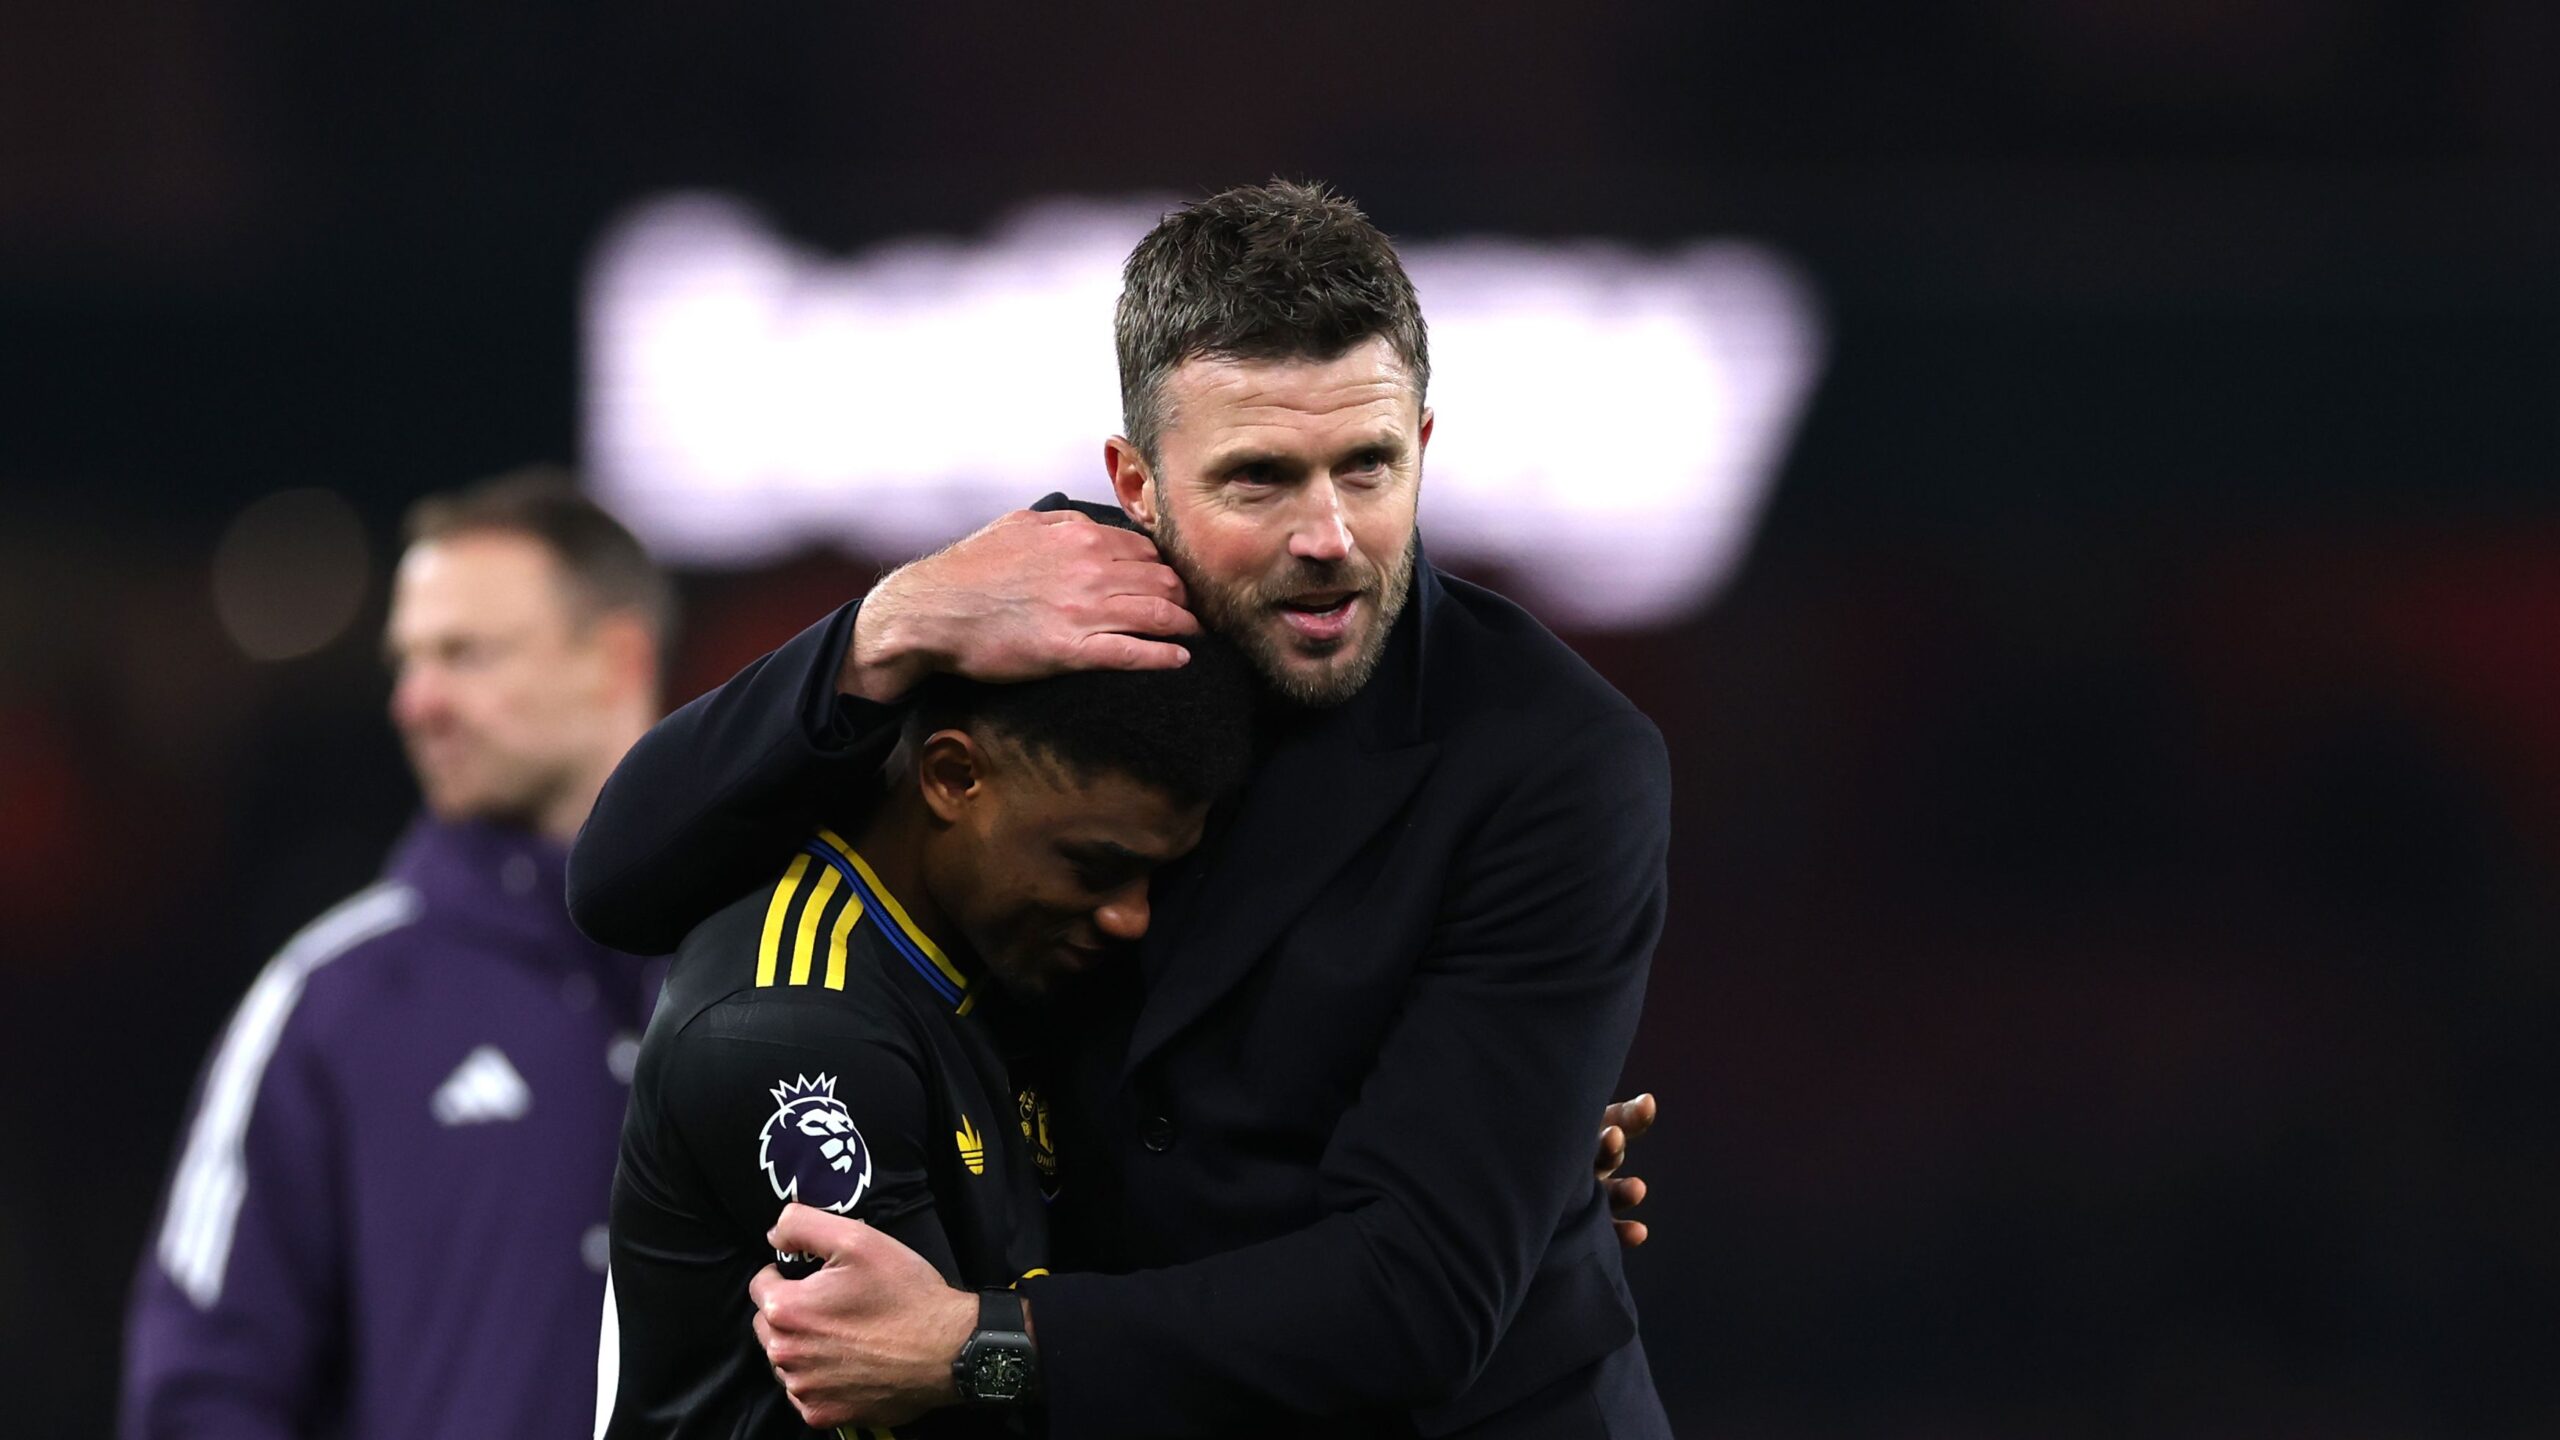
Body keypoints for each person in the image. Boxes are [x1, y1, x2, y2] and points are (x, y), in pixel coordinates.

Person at [570, 180, 1673, 1437]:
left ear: (1422, 443)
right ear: (1135, 484)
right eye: (1259, 479)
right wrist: (885, 626)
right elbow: (620, 881)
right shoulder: (1041, 621)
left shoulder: (1555, 758)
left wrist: (980, 1349)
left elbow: (1415, 1300)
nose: (1329, 535)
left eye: (1366, 468)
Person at [598, 635, 1260, 1438]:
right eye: (1094, 867)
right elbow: (936, 1408)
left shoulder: (995, 949)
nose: (1133, 916)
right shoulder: (794, 1032)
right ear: (953, 778)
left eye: (1160, 875)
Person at [124, 474, 672, 1440]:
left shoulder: (772, 961)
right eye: (407, 660)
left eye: (464, 654)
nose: (416, 702)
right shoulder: (336, 997)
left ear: (614, 659)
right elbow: (201, 1385)